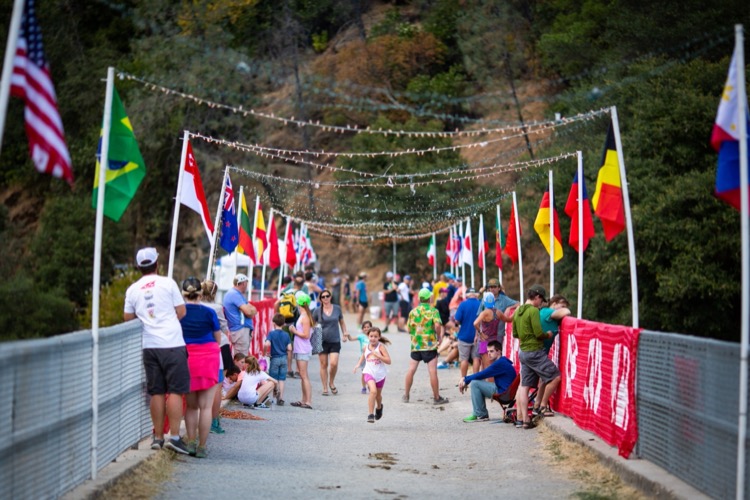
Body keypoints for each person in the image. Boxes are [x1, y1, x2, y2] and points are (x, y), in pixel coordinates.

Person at [123, 247, 190, 454]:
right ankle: (175, 437)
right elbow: (182, 311)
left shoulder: (133, 289)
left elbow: (127, 318)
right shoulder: (168, 283)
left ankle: (158, 437)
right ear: (157, 264)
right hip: (172, 343)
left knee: (157, 392)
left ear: (138, 267)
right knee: (176, 391)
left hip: (149, 345)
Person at [178, 277, 221, 458]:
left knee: (191, 406)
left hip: (187, 357)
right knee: (206, 407)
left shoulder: (178, 313)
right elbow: (218, 339)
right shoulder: (209, 312)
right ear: (201, 293)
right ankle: (202, 447)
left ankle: (191, 442)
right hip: (209, 357)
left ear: (183, 294)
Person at [512, 284, 561, 429]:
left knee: (524, 386)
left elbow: (515, 334)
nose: (542, 304)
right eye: (542, 300)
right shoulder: (533, 311)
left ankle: (523, 419)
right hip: (535, 351)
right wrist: (548, 335)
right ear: (537, 297)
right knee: (556, 376)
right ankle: (542, 406)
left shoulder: (518, 310)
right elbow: (539, 333)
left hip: (523, 352)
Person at [403, 288, 449, 405]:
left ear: (419, 299)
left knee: (411, 370)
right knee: (432, 371)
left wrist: (415, 335)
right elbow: (438, 325)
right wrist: (438, 336)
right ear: (429, 298)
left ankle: (406, 395)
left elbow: (408, 328)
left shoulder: (413, 312)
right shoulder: (433, 311)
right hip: (429, 345)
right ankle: (436, 397)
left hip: (416, 345)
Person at [458, 340, 517, 422]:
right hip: (505, 392)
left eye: (492, 351)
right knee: (477, 382)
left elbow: (483, 374)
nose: (489, 354)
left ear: (499, 352)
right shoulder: (502, 361)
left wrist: (465, 378)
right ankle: (480, 413)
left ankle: (480, 414)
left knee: (475, 383)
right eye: (488, 351)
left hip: (504, 394)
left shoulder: (500, 363)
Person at [533, 295, 572, 416]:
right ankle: (543, 407)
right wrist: (563, 310)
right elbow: (567, 312)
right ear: (554, 304)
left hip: (535, 352)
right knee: (556, 378)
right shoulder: (549, 312)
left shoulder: (545, 312)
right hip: (537, 353)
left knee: (544, 379)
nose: (563, 309)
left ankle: (536, 406)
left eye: (564, 306)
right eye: (561, 305)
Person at [201, 279, 229, 435]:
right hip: (218, 346)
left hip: (198, 347)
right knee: (217, 385)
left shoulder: (194, 307)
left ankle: (198, 418)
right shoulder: (218, 308)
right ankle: (214, 420)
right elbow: (224, 328)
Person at [353, 327, 391, 423]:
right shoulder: (366, 347)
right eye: (371, 336)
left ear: (379, 337)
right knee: (373, 392)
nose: (373, 338)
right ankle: (370, 414)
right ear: (368, 336)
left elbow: (389, 361)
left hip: (380, 374)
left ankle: (379, 407)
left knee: (378, 395)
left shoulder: (381, 347)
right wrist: (358, 364)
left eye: (375, 336)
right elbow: (363, 355)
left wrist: (379, 355)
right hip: (368, 372)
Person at [313, 288, 347, 396]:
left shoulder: (337, 308)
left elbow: (342, 322)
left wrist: (345, 333)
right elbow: (312, 323)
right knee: (323, 364)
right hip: (321, 340)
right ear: (320, 299)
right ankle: (325, 387)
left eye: (327, 296)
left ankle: (331, 381)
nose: (325, 298)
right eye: (323, 297)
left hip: (335, 339)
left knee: (333, 363)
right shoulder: (317, 310)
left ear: (330, 297)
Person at [474, 292, 512, 370]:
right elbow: (508, 320)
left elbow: (475, 323)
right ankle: (491, 382)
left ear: (484, 302)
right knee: (492, 366)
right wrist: (517, 312)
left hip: (484, 341)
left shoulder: (484, 313)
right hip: (494, 340)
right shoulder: (498, 312)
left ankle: (488, 382)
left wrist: (481, 333)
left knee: (486, 366)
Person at [290, 292, 314, 409]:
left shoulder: (305, 317)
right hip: (300, 348)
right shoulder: (304, 316)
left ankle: (308, 401)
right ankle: (304, 399)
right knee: (303, 375)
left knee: (304, 375)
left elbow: (306, 335)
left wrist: (295, 331)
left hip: (303, 349)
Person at [223, 273, 257, 357]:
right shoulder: (234, 294)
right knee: (241, 358)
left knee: (240, 357)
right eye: (246, 283)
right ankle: (239, 371)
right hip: (240, 330)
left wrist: (250, 310)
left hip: (239, 330)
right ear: (243, 283)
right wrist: (250, 310)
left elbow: (252, 310)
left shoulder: (235, 294)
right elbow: (249, 312)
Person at [453, 288, 481, 378]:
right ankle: (476, 379)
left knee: (464, 359)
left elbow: (457, 320)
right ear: (475, 295)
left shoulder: (463, 304)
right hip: (478, 336)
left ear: (467, 295)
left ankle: (463, 379)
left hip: (464, 336)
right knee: (476, 358)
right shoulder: (480, 303)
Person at [264, 313, 292, 406]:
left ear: (273, 323)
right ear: (284, 324)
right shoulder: (286, 334)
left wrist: (265, 353)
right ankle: (281, 398)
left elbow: (266, 344)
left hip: (274, 358)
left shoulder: (271, 334)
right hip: (284, 358)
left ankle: (274, 397)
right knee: (282, 379)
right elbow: (290, 348)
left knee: (273, 379)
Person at [344, 320, 372, 394]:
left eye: (368, 327)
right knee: (364, 373)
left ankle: (370, 386)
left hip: (371, 358)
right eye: (364, 327)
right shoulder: (361, 336)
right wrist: (348, 335)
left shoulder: (372, 336)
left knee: (371, 373)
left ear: (371, 328)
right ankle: (364, 387)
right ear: (362, 329)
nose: (366, 329)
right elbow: (351, 339)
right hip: (362, 358)